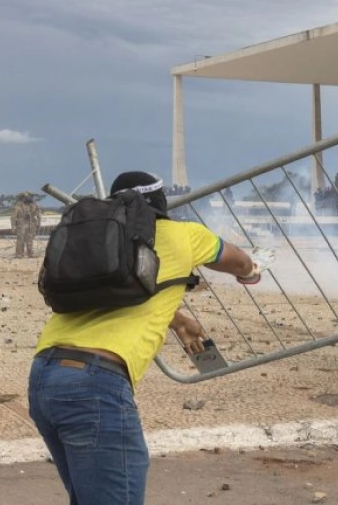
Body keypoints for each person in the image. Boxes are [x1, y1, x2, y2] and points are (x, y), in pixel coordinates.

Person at [28, 171, 263, 505]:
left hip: (45, 375)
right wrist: (251, 272)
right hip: (95, 385)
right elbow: (238, 261)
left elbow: (120, 296)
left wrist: (176, 319)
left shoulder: (104, 245)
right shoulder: (185, 234)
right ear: (160, 202)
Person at [11, 191, 41, 258]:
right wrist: (13, 226)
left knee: (30, 239)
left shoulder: (34, 204)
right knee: (20, 239)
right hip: (21, 224)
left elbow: (39, 214)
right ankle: (19, 254)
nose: (31, 198)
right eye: (29, 196)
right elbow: (13, 217)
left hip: (31, 224)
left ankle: (30, 253)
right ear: (23, 198)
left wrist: (39, 223)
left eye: (31, 196)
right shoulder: (18, 206)